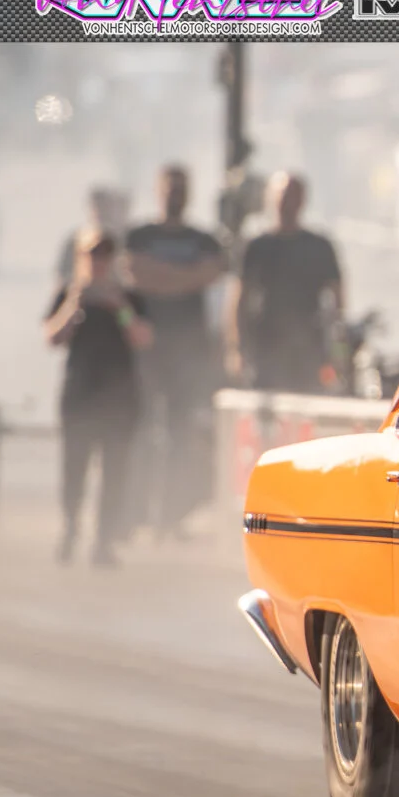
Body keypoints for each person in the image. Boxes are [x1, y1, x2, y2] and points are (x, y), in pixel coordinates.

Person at [123, 165, 227, 539]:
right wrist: (185, 278)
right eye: (170, 189)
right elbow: (135, 273)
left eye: (181, 189)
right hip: (146, 351)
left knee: (180, 434)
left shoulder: (205, 240)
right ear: (158, 191)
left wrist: (162, 277)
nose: (175, 196)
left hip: (189, 352)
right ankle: (134, 513)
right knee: (140, 431)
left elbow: (211, 273)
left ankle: (171, 516)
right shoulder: (140, 235)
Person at [44, 231, 153, 566]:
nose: (99, 262)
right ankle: (70, 530)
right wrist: (73, 306)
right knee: (74, 468)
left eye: (105, 255)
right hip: (80, 396)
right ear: (82, 258)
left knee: (114, 472)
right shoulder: (69, 293)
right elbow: (52, 337)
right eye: (93, 255)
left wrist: (119, 308)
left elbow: (142, 337)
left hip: (119, 399)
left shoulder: (128, 297)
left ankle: (104, 541)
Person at [227, 172, 344, 393]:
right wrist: (236, 349)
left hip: (308, 345)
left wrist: (338, 351)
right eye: (283, 195)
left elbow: (338, 301)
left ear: (302, 200)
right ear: (271, 198)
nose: (287, 202)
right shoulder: (256, 247)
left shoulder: (319, 247)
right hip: (266, 344)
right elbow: (238, 300)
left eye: (293, 196)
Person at [56, 186, 127, 288]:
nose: (100, 212)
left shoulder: (123, 240)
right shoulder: (76, 239)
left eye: (105, 207)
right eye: (97, 207)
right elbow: (63, 275)